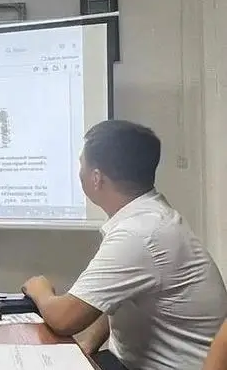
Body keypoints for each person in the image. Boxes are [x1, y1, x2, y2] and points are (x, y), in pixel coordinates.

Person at [21, 120, 227, 370]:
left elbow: (64, 319)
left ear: (96, 178)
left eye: (81, 165)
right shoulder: (150, 217)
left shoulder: (139, 233)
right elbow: (114, 296)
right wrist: (90, 345)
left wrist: (39, 289)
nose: (78, 172)